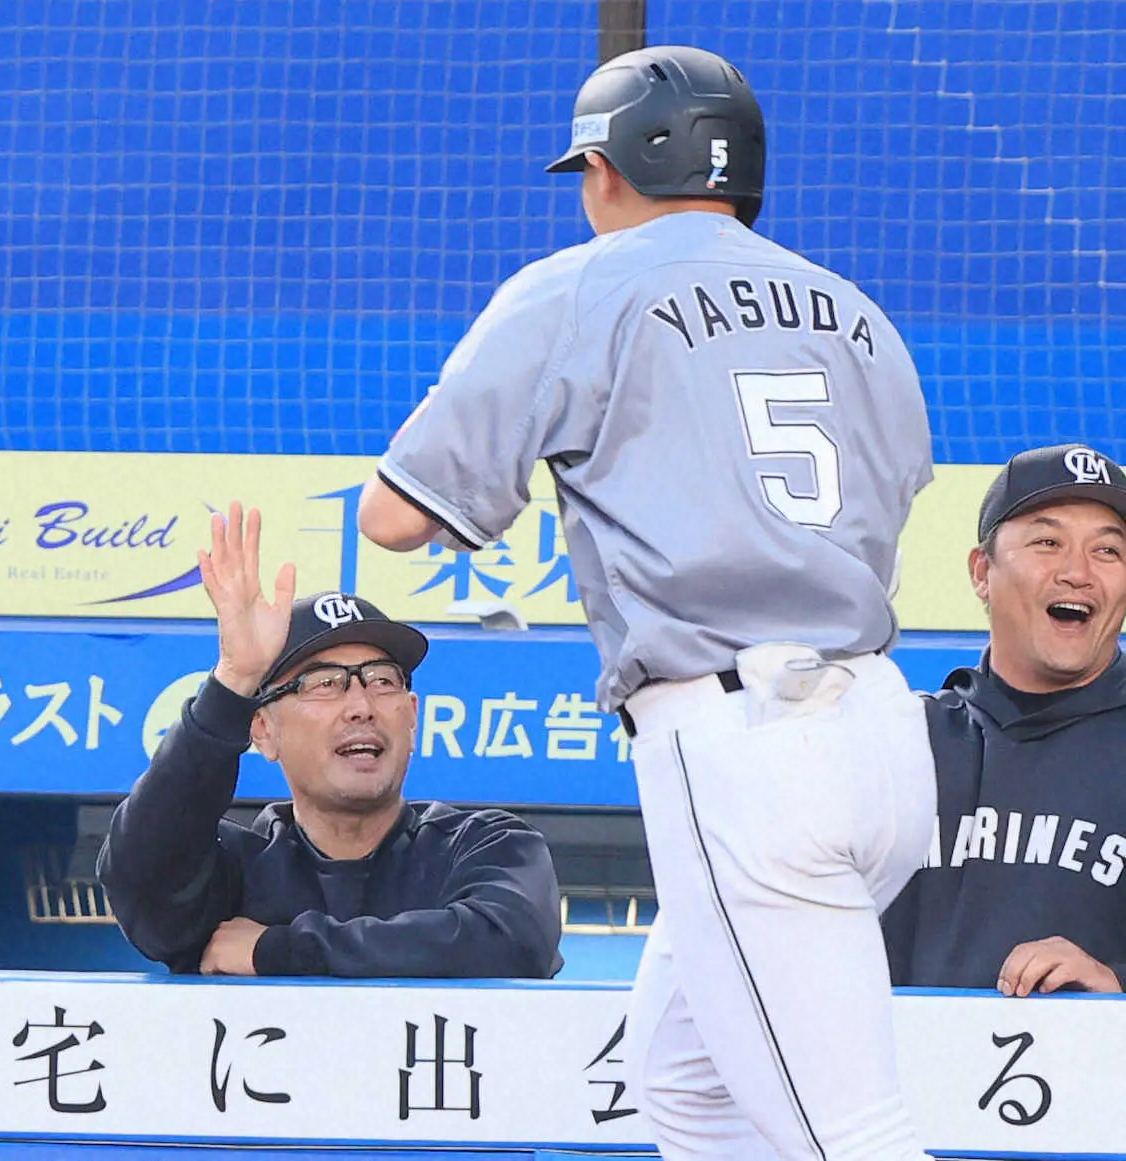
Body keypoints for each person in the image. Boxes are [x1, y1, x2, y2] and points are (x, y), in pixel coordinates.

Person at [358, 44, 936, 1161]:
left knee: (850, 1138)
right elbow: (895, 489)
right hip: (876, 740)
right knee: (687, 1091)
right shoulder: (856, 311)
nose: (585, 194)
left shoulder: (579, 286)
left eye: (587, 169)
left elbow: (394, 516)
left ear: (619, 165)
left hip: (743, 750)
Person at [97, 502, 563, 979]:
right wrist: (233, 683)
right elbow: (140, 876)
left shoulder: (484, 846)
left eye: (382, 680)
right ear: (263, 730)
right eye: (324, 684)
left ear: (413, 716)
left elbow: (511, 943)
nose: (361, 705)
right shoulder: (236, 870)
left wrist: (277, 951)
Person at [883, 443, 1126, 998]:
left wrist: (1115, 990)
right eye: (1047, 542)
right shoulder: (899, 743)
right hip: (893, 1079)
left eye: (1108, 552)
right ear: (981, 572)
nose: (1078, 573)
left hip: (1097, 1080)